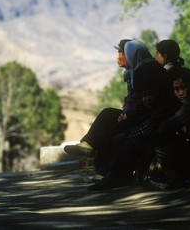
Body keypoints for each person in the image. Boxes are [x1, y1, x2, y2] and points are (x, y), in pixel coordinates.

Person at [87, 40, 179, 190]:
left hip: (157, 119)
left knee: (125, 136)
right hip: (150, 117)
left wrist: (127, 117)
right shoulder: (144, 70)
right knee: (116, 127)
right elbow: (138, 100)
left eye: (123, 54)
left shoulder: (146, 71)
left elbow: (145, 105)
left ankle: (114, 175)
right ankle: (110, 171)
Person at [64, 39, 132, 169]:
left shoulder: (137, 74)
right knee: (107, 122)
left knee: (107, 115)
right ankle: (94, 155)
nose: (117, 57)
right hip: (130, 114)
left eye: (120, 53)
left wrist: (128, 113)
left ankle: (91, 149)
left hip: (136, 117)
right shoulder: (129, 74)